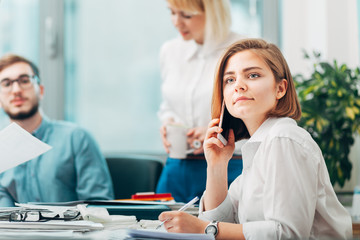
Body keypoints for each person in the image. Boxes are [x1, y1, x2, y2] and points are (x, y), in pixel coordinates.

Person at [158, 39, 352, 239]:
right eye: (229, 80)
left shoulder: (284, 138)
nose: (238, 86)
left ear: (280, 89)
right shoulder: (257, 148)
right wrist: (217, 165)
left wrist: (202, 228)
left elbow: (288, 234)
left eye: (252, 75)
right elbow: (223, 224)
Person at [157, 0, 244, 203]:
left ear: (212, 13)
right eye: (172, 13)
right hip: (177, 168)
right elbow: (168, 105)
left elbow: (256, 112)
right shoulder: (170, 51)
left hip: (229, 165)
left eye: (186, 15)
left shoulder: (241, 50)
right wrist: (169, 124)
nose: (176, 22)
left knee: (219, 228)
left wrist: (217, 130)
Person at [0, 54, 114, 206]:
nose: (16, 90)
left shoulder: (77, 138)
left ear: (40, 90)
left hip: (73, 229)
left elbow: (100, 206)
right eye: (6, 84)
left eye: (24, 81)